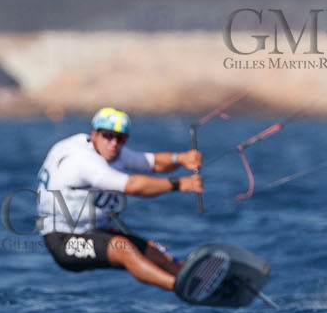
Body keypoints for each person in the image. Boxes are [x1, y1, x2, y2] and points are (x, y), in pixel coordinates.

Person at [36, 107, 204, 291]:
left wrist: (180, 158)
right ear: (94, 134)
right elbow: (133, 186)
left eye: (121, 138)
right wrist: (178, 184)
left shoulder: (107, 149)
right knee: (122, 248)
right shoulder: (84, 162)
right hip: (63, 239)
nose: (114, 143)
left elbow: (151, 163)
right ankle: (181, 288)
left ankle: (203, 284)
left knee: (155, 253)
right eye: (108, 136)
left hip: (93, 230)